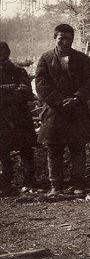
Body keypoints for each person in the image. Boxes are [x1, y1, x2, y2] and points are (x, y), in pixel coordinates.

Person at [35, 24, 90, 196]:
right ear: (55, 39)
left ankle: (78, 184)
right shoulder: (46, 58)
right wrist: (60, 101)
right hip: (55, 113)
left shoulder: (82, 59)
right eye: (61, 38)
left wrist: (77, 98)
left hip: (77, 112)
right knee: (54, 149)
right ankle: (56, 185)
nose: (64, 41)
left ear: (72, 39)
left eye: (68, 38)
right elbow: (41, 84)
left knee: (77, 148)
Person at [0, 41, 36, 195]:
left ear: (9, 51)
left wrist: (5, 90)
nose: (2, 54)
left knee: (26, 149)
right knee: (3, 151)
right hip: (2, 117)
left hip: (20, 117)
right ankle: (6, 184)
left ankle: (30, 182)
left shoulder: (19, 71)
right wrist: (12, 88)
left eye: (4, 50)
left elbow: (26, 92)